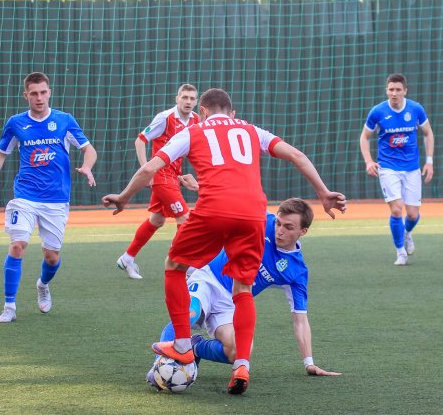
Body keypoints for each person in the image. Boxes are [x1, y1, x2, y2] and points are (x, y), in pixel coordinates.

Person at [103, 88, 346, 395]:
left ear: (202, 111)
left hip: (213, 208)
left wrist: (124, 197)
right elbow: (297, 155)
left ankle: (182, 345)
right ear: (232, 113)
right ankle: (241, 365)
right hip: (253, 213)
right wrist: (323, 192)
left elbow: (151, 166)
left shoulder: (194, 130)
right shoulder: (252, 130)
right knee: (243, 288)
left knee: (174, 266)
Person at [150, 198, 341, 387]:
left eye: (288, 227)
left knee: (239, 350)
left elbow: (300, 319)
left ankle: (195, 347)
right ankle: (160, 368)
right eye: (279, 223)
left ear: (303, 231)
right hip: (208, 278)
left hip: (231, 302)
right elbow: (231, 203)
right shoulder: (263, 221)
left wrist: (309, 363)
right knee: (190, 313)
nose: (279, 230)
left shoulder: (296, 271)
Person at [0, 71, 97, 323]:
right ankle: (9, 306)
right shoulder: (16, 123)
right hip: (25, 195)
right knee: (17, 245)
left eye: (43, 92)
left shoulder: (64, 120)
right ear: (26, 95)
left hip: (56, 199)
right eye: (34, 93)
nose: (39, 98)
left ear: (49, 92)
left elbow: (88, 149)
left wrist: (87, 166)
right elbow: (1, 152)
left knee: (51, 257)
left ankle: (43, 284)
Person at [116, 84, 200, 280]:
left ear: (196, 101)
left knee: (157, 220)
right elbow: (140, 140)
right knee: (185, 219)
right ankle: (183, 265)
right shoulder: (165, 118)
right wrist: (147, 171)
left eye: (192, 98)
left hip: (174, 175)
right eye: (184, 97)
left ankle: (127, 258)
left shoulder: (196, 120)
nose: (188, 101)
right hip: (160, 174)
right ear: (177, 98)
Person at [359, 73, 434, 266]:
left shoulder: (415, 109)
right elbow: (364, 137)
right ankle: (400, 252)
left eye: (398, 90)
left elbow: (428, 133)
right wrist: (369, 161)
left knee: (413, 215)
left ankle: (407, 233)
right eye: (391, 89)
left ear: (405, 91)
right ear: (386, 91)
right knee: (397, 209)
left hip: (412, 168)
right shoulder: (378, 112)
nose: (394, 93)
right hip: (388, 167)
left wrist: (429, 161)